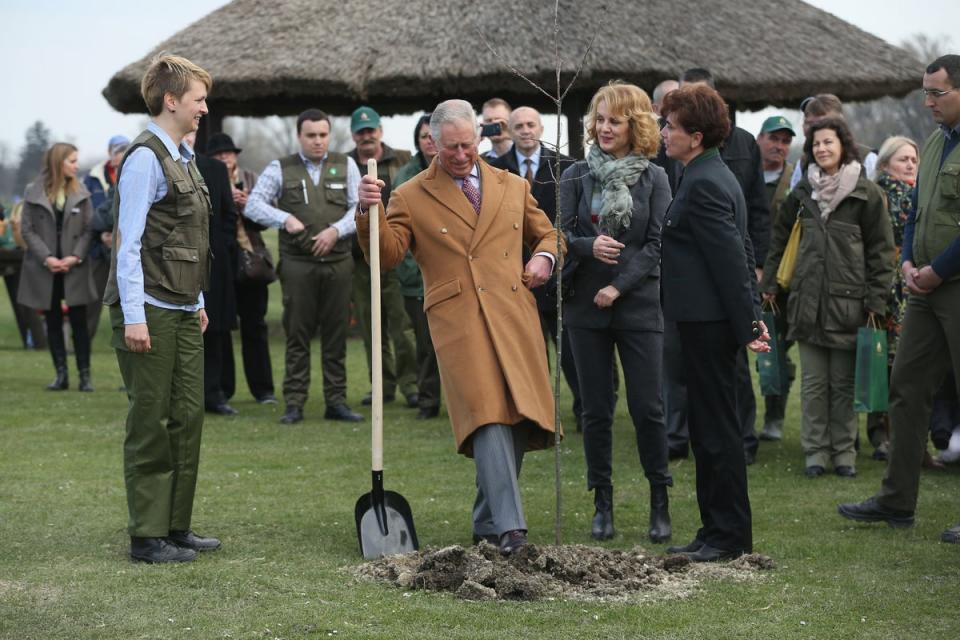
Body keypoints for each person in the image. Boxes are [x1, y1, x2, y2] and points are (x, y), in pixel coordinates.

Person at [356, 99, 564, 555]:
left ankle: (487, 522)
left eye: (468, 144)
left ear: (479, 139)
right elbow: (387, 256)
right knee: (487, 416)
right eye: (450, 147)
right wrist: (367, 214)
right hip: (459, 323)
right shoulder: (409, 194)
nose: (460, 154)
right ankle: (512, 530)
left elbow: (548, 234)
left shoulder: (511, 185)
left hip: (514, 317)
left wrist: (545, 258)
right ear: (432, 144)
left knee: (514, 422)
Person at [102, 54, 220, 563]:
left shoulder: (185, 157)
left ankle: (176, 525)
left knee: (189, 415)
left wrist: (196, 301)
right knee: (151, 419)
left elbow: (185, 237)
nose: (205, 108)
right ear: (171, 101)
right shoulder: (145, 158)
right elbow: (127, 245)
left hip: (181, 307)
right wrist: (134, 316)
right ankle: (147, 536)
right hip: (146, 307)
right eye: (198, 99)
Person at [839, 54, 960, 545]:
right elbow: (915, 212)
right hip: (925, 288)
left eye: (938, 93)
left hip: (951, 284)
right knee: (906, 387)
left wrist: (937, 271)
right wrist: (909, 261)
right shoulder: (933, 144)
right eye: (925, 93)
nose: (928, 101)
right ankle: (896, 501)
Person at [659, 83, 770, 562]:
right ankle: (714, 529)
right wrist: (752, 317)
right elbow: (742, 251)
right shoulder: (704, 172)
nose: (663, 132)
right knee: (708, 429)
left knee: (718, 431)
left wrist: (750, 324)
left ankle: (727, 536)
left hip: (709, 326)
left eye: (671, 126)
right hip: (703, 322)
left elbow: (730, 261)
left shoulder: (705, 181)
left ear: (696, 136)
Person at [559, 83, 672, 542]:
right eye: (600, 119)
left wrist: (618, 287)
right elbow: (559, 234)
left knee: (649, 409)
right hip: (585, 308)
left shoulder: (656, 178)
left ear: (636, 125)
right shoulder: (575, 176)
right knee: (596, 410)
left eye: (615, 121)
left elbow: (657, 245)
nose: (604, 128)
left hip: (639, 306)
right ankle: (601, 502)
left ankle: (659, 500)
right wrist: (588, 246)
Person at [761, 117, 894, 479]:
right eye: (816, 144)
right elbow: (778, 241)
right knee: (814, 385)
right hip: (806, 304)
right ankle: (815, 454)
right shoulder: (802, 194)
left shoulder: (865, 195)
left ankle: (844, 455)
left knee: (843, 385)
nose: (822, 149)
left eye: (828, 142)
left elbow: (882, 254)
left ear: (843, 146)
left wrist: (876, 301)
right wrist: (769, 285)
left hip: (851, 307)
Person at [245, 109, 362, 424]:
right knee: (297, 334)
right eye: (311, 135)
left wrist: (337, 229)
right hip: (298, 264)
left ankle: (336, 402)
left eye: (323, 135)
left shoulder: (346, 164)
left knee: (336, 335)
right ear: (299, 136)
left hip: (338, 261)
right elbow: (254, 205)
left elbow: (359, 206)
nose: (318, 141)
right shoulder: (280, 168)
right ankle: (294, 403)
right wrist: (284, 218)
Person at [489, 106, 581, 430]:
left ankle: (584, 410)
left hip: (560, 271)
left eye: (531, 124)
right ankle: (535, 413)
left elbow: (571, 220)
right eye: (519, 126)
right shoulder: (493, 169)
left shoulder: (566, 166)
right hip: (513, 274)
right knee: (528, 350)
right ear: (510, 131)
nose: (525, 130)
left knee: (570, 349)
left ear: (541, 128)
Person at [347, 106, 418, 409]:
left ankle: (410, 385)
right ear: (354, 135)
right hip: (359, 258)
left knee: (401, 325)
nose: (367, 136)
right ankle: (382, 386)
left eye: (371, 130)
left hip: (396, 254)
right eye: (361, 132)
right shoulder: (345, 164)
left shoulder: (403, 159)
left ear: (380, 131)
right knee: (370, 325)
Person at [18, 142, 97, 391]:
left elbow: (88, 229)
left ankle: (85, 377)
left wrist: (76, 257)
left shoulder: (81, 190)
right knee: (52, 321)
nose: (76, 165)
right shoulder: (34, 191)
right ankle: (61, 375)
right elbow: (27, 229)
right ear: (58, 162)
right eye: (72, 161)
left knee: (79, 322)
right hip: (46, 268)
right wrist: (47, 258)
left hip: (74, 266)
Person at [207, 132, 277, 405]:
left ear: (236, 155)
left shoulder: (252, 179)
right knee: (221, 327)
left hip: (251, 263)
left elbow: (267, 219)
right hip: (221, 262)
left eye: (229, 153)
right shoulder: (206, 177)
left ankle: (263, 390)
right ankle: (224, 389)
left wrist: (247, 205)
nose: (224, 157)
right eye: (218, 154)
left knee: (255, 327)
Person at [868, 135, 919, 460]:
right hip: (886, 286)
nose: (911, 165)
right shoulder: (879, 196)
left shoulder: (920, 195)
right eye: (904, 160)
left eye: (914, 160)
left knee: (909, 364)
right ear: (885, 164)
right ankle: (880, 432)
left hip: (913, 285)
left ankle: (904, 433)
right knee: (881, 362)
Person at [184, 131, 240, 416]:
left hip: (214, 263)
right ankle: (183, 395)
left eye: (194, 131)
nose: (189, 135)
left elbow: (229, 213)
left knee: (215, 331)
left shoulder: (215, 169)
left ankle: (214, 393)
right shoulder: (157, 165)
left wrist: (221, 244)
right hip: (176, 265)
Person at [393, 114, 442, 420]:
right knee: (426, 345)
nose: (429, 142)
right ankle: (428, 401)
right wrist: (413, 271)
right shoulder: (407, 177)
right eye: (424, 136)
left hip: (451, 272)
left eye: (433, 136)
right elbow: (399, 228)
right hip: (417, 277)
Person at [755, 115, 798, 442]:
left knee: (776, 350)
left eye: (785, 141)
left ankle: (774, 417)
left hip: (781, 282)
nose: (779, 146)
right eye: (774, 138)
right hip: (747, 274)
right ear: (759, 139)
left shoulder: (794, 181)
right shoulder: (746, 176)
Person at [83, 135, 129, 340]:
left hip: (128, 253)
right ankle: (82, 342)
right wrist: (103, 234)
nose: (118, 170)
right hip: (100, 251)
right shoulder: (96, 180)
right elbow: (95, 216)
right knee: (91, 301)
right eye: (116, 165)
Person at [789, 94, 879, 189]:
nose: (814, 129)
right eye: (809, 123)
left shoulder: (868, 159)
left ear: (841, 125)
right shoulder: (803, 164)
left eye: (822, 123)